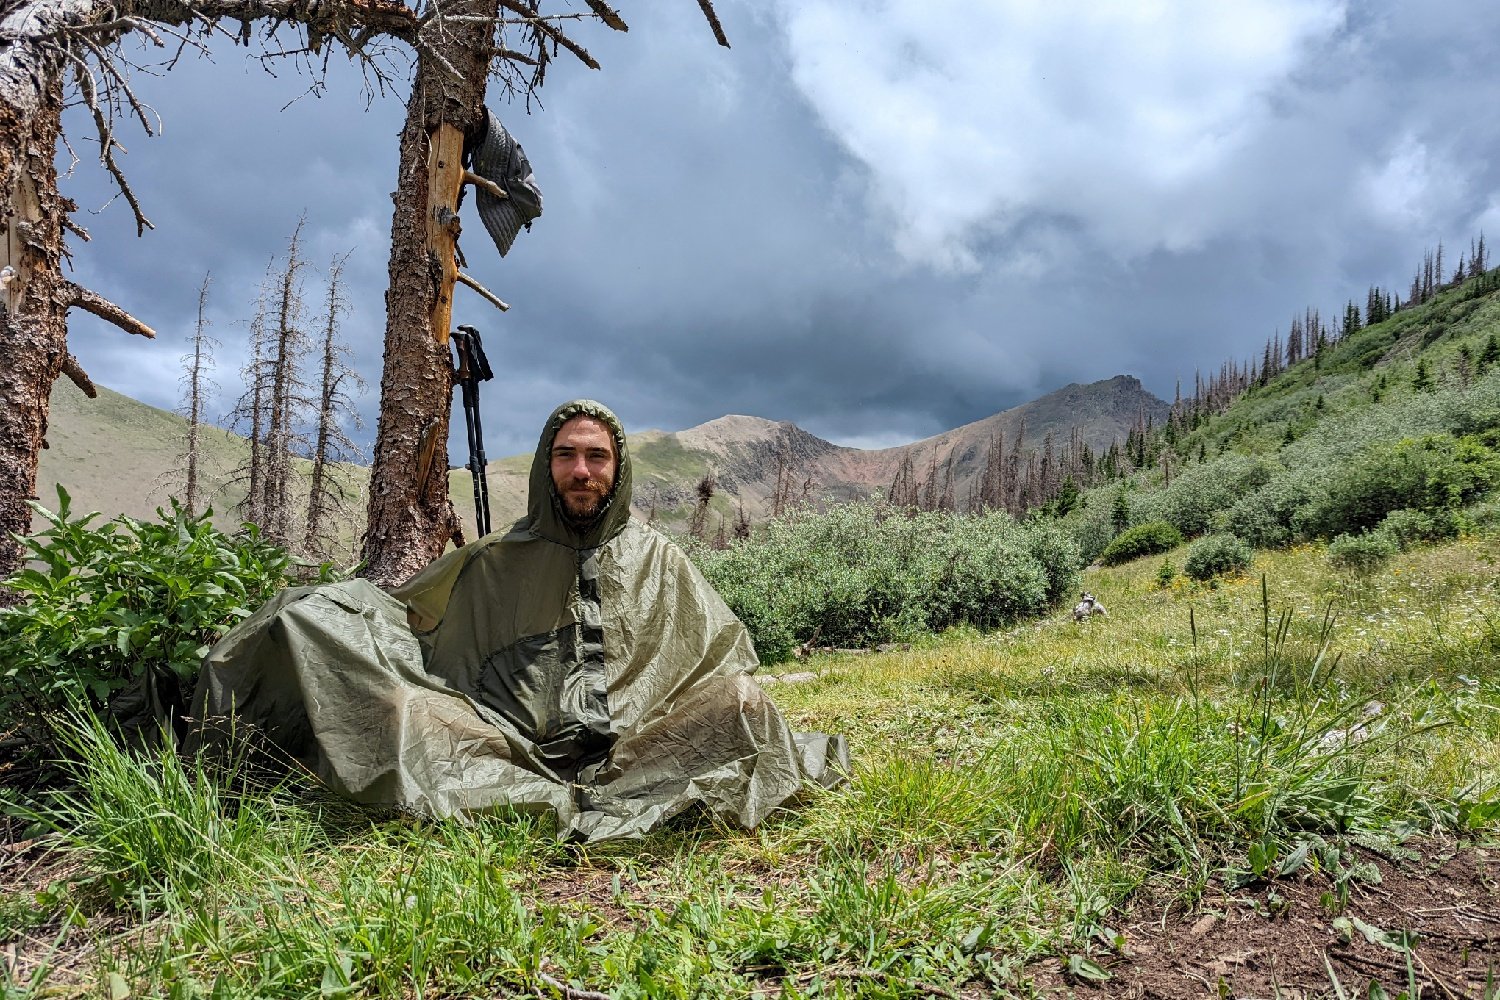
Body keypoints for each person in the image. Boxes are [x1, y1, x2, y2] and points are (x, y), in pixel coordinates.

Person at [193, 400, 845, 841]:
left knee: (744, 705)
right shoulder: (496, 559)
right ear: (546, 465)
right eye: (566, 455)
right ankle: (524, 795)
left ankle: (590, 799)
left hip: (640, 753)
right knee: (405, 715)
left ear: (617, 469)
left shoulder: (660, 559)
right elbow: (399, 620)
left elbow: (718, 662)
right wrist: (324, 610)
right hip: (507, 753)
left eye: (596, 456)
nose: (581, 471)